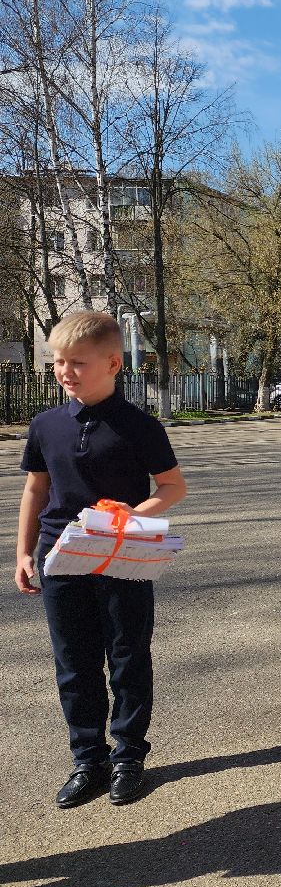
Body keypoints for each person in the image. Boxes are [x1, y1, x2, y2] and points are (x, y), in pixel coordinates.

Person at [14, 311, 188, 808]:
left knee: (127, 653)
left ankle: (128, 755)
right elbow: (35, 489)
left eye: (78, 363)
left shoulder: (139, 426)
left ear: (113, 363)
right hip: (60, 553)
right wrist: (23, 551)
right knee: (74, 659)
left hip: (121, 552)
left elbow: (173, 486)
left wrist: (133, 515)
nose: (66, 372)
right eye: (58, 363)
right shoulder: (46, 425)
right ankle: (87, 758)